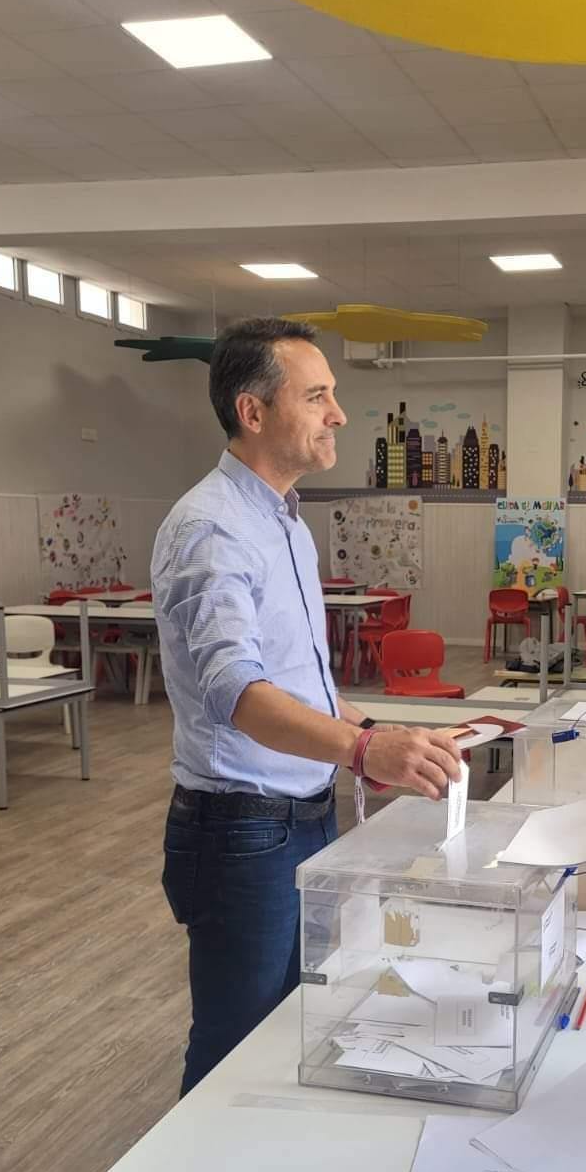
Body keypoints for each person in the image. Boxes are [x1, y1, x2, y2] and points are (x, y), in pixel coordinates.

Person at [152, 317, 462, 1095]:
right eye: (317, 395)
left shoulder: (286, 524)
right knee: (233, 1043)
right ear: (253, 412)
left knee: (298, 1020)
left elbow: (299, 684)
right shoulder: (210, 528)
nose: (338, 414)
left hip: (303, 814)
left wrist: (382, 730)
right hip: (241, 830)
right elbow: (239, 696)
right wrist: (364, 752)